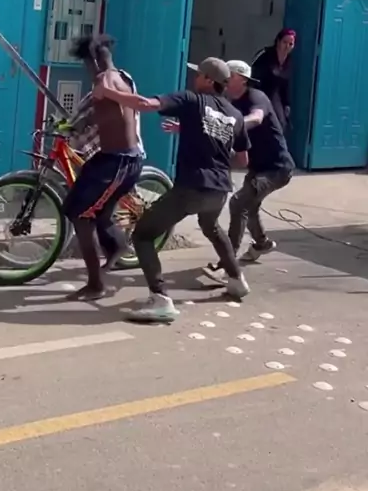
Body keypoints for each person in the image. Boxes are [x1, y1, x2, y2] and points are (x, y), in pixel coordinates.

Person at [93, 57, 251, 322]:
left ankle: (160, 299)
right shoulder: (235, 115)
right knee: (211, 226)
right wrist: (216, 156)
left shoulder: (191, 100)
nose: (194, 78)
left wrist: (108, 92)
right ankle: (237, 280)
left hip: (192, 187)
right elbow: (243, 160)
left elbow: (145, 104)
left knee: (144, 235)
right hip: (220, 190)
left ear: (208, 80)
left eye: (198, 75)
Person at [61, 35, 144, 300]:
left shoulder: (106, 80)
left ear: (96, 61)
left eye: (88, 63)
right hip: (115, 159)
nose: (88, 71)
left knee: (79, 213)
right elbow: (93, 116)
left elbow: (103, 89)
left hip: (119, 162)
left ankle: (96, 284)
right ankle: (117, 247)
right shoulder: (122, 79)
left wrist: (102, 82)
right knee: (101, 213)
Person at [207, 59, 294, 275]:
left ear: (242, 79)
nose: (224, 79)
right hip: (257, 167)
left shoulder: (257, 97)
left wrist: (231, 124)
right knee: (250, 206)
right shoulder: (229, 101)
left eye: (229, 75)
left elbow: (256, 119)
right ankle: (262, 244)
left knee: (239, 204)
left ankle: (228, 264)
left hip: (277, 168)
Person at [251, 29, 296, 133]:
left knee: (280, 123)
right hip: (259, 92)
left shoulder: (289, 61)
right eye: (285, 42)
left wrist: (286, 104)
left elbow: (285, 84)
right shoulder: (265, 55)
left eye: (291, 44)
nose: (287, 46)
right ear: (278, 41)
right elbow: (253, 75)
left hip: (274, 94)